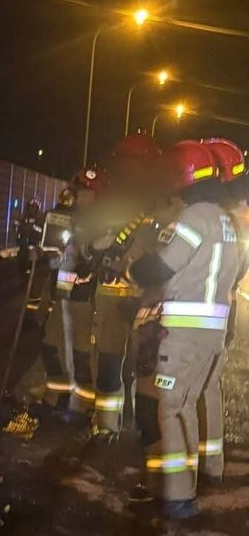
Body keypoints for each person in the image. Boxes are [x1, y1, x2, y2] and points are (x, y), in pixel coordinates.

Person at [126, 140, 242, 520]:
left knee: (171, 409)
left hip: (184, 333)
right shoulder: (225, 219)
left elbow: (162, 267)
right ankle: (188, 486)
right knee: (187, 405)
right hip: (212, 331)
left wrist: (133, 271)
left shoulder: (194, 218)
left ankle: (177, 499)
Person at [88, 133, 162, 439]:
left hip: (127, 298)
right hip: (142, 300)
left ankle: (109, 427)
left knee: (116, 364)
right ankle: (136, 428)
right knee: (140, 368)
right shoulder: (160, 203)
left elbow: (96, 247)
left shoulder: (122, 202)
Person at [196, 138, 249, 484]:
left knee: (199, 386)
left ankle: (205, 467)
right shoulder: (233, 213)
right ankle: (210, 461)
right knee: (208, 385)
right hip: (220, 309)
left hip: (210, 312)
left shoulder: (223, 216)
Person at [63, 166, 109, 415]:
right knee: (64, 347)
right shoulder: (72, 217)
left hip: (85, 295)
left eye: (83, 192)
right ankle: (68, 401)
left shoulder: (100, 221)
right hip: (67, 294)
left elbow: (92, 254)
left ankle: (84, 407)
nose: (78, 196)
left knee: (82, 351)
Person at [35, 188, 78, 410]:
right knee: (53, 342)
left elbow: (67, 260)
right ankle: (57, 394)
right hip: (59, 284)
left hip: (66, 290)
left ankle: (61, 398)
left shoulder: (77, 222)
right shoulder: (55, 217)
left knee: (59, 344)